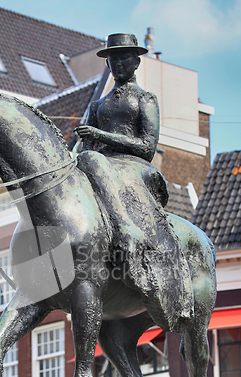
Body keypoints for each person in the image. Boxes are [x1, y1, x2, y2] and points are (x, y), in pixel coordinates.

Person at [75, 33, 194, 331]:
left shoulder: (145, 100)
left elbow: (147, 147)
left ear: (137, 62)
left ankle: (135, 239)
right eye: (113, 59)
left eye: (124, 58)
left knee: (96, 163)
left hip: (134, 169)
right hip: (100, 168)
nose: (118, 64)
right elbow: (84, 151)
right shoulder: (98, 104)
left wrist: (101, 137)